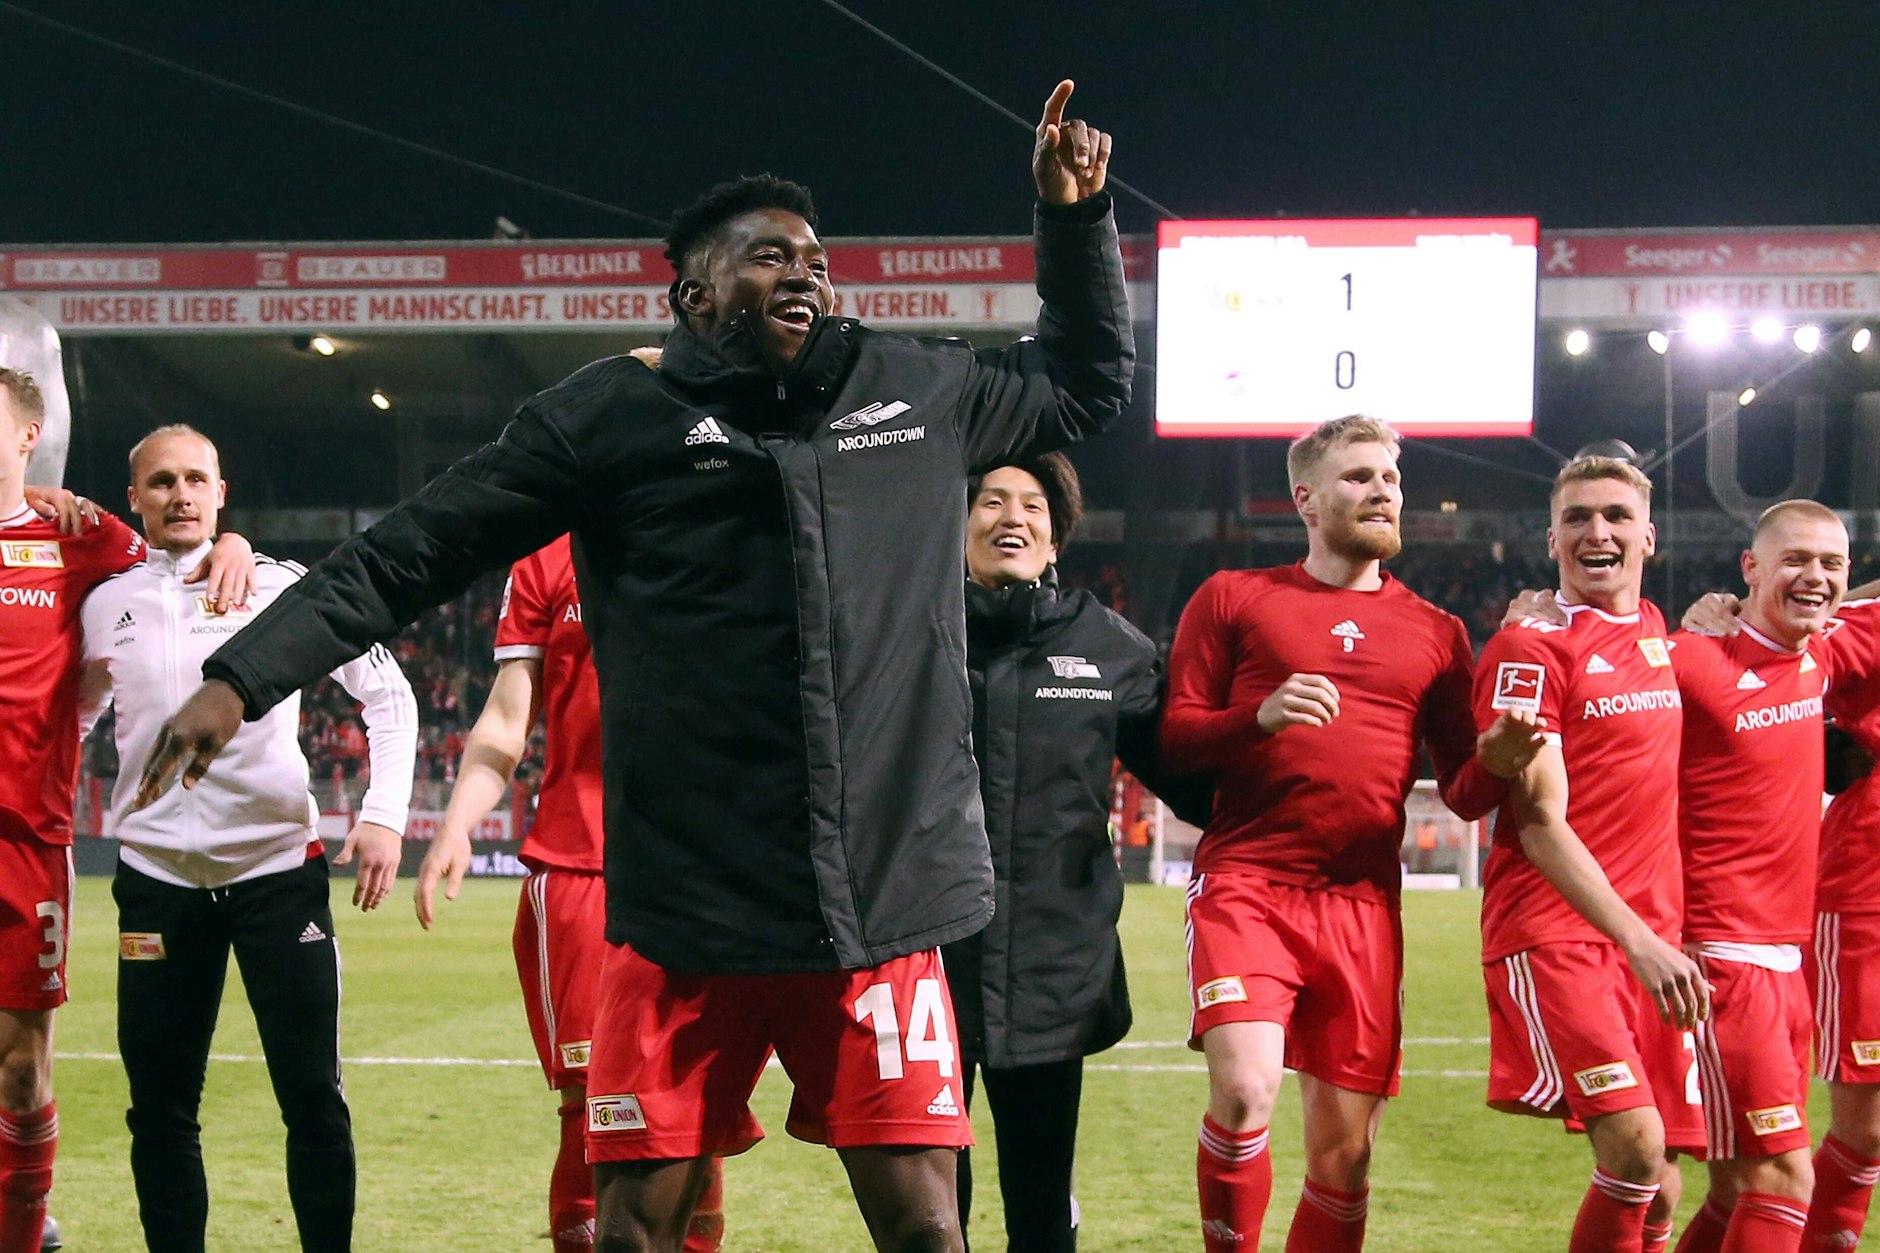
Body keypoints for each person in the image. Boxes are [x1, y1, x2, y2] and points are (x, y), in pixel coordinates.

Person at [131, 81, 1130, 1253]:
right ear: (695, 295)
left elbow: (1083, 380)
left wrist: (1074, 219)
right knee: (630, 1231)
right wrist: (244, 673)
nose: (802, 272)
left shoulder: (912, 389)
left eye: (814, 256)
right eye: (767, 258)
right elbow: (415, 547)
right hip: (682, 915)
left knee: (924, 1227)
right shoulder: (609, 417)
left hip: (879, 907)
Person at [1159, 414, 1544, 1253]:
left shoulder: (1438, 632)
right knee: (1246, 1090)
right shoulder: (1234, 597)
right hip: (1248, 885)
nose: (1382, 491)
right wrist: (1254, 717)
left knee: (1346, 1158)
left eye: (1391, 479)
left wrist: (1503, 757)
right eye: (1358, 476)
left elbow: (1469, 791)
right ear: (1305, 497)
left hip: (1363, 905)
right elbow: (1177, 734)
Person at [76, 424, 415, 1253]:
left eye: (196, 479)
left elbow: (390, 695)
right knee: (159, 1108)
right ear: (136, 501)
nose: (180, 494)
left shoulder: (280, 588)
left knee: (312, 1098)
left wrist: (382, 814)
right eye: (161, 482)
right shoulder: (107, 606)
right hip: (156, 882)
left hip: (276, 876)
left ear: (221, 492)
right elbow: (70, 724)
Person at [415, 494, 727, 1252]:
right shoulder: (548, 556)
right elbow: (505, 717)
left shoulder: (720, 533)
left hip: (703, 867)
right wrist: (456, 820)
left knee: (705, 1105)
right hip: (580, 864)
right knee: (594, 1104)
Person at [0, 370, 251, 1252]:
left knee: (22, 1064)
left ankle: (25, 1229)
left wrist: (236, 544)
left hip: (25, 837)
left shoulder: (80, 539)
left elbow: (173, 560)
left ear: (29, 435)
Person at [941, 452, 1207, 1252]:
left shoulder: (1111, 646)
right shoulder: (906, 631)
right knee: (925, 1214)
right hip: (925, 971)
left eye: (1031, 504)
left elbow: (1195, 784)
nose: (1010, 516)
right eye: (989, 500)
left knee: (1041, 1209)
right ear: (955, 526)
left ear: (1056, 538)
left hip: (1055, 971)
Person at [1473, 455, 1709, 1253]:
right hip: (1559, 932)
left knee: (1666, 1175)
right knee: (1635, 1148)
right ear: (1552, 538)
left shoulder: (1658, 635)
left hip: (1650, 936)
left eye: (1614, 515)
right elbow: (1539, 821)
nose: (1596, 532)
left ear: (1649, 534)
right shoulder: (1528, 648)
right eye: (1577, 518)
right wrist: (1640, 941)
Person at [1639, 501, 1880, 1253]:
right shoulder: (1691, 661)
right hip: (1717, 959)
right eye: (1796, 560)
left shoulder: (1817, 658)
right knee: (1779, 1180)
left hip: (1785, 959)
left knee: (1740, 1186)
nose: (1816, 577)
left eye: (1830, 564)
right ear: (1750, 567)